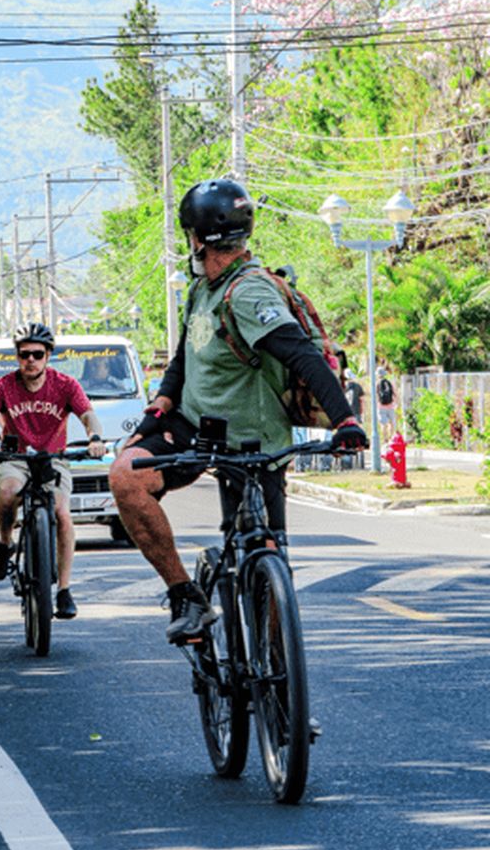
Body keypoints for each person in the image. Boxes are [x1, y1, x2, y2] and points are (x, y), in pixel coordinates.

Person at [109, 178, 367, 645]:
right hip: (193, 428)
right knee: (126, 476)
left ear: (194, 237)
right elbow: (184, 360)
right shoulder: (201, 290)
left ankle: (281, 697)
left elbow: (302, 355)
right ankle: (185, 594)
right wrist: (157, 411)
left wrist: (345, 418)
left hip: (253, 440)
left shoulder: (249, 292)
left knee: (267, 558)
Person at [0, 322, 105, 620]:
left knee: (62, 513)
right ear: (17, 356)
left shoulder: (66, 384)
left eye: (37, 354)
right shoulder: (3, 385)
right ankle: (5, 542)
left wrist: (95, 438)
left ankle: (65, 590)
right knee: (7, 491)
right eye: (23, 354)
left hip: (54, 458)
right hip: (15, 457)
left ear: (48, 355)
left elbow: (88, 415)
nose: (30, 360)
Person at [376, 366, 396, 442]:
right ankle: (391, 438)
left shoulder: (377, 383)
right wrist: (395, 403)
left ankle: (385, 439)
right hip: (390, 405)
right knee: (391, 423)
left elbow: (376, 395)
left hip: (381, 406)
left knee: (383, 424)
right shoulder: (389, 382)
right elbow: (395, 393)